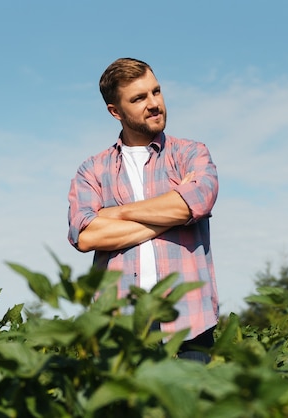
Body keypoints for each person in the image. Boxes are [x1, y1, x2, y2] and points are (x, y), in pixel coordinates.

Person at [67, 58, 219, 363]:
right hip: (120, 323)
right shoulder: (92, 169)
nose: (154, 103)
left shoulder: (190, 153)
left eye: (156, 92)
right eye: (139, 98)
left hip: (190, 320)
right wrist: (171, 214)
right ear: (116, 111)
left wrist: (114, 213)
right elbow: (85, 236)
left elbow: (197, 201)